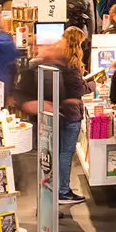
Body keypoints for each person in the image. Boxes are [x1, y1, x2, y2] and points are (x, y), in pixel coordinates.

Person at [46, 27, 90, 205]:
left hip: (58, 112)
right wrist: (91, 85)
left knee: (58, 152)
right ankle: (63, 191)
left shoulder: (58, 62)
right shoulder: (72, 65)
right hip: (71, 114)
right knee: (66, 153)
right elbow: (77, 89)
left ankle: (56, 188)